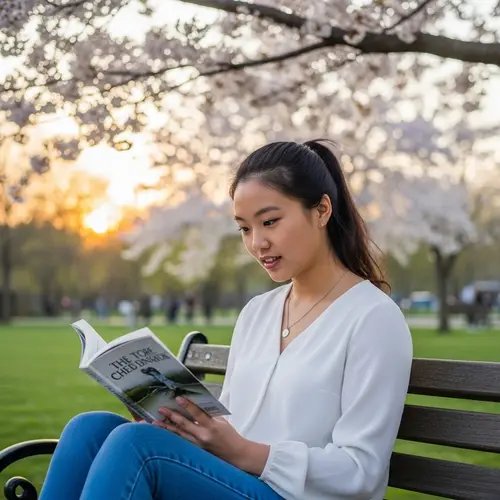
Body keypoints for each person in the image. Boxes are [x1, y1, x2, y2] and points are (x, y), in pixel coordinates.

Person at [39, 139, 413, 500]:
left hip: (291, 494)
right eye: (245, 228)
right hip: (234, 481)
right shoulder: (258, 313)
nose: (257, 244)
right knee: (90, 428)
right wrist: (183, 427)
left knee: (136, 446)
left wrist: (246, 452)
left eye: (270, 222)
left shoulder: (373, 318)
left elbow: (361, 471)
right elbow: (231, 422)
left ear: (321, 211)